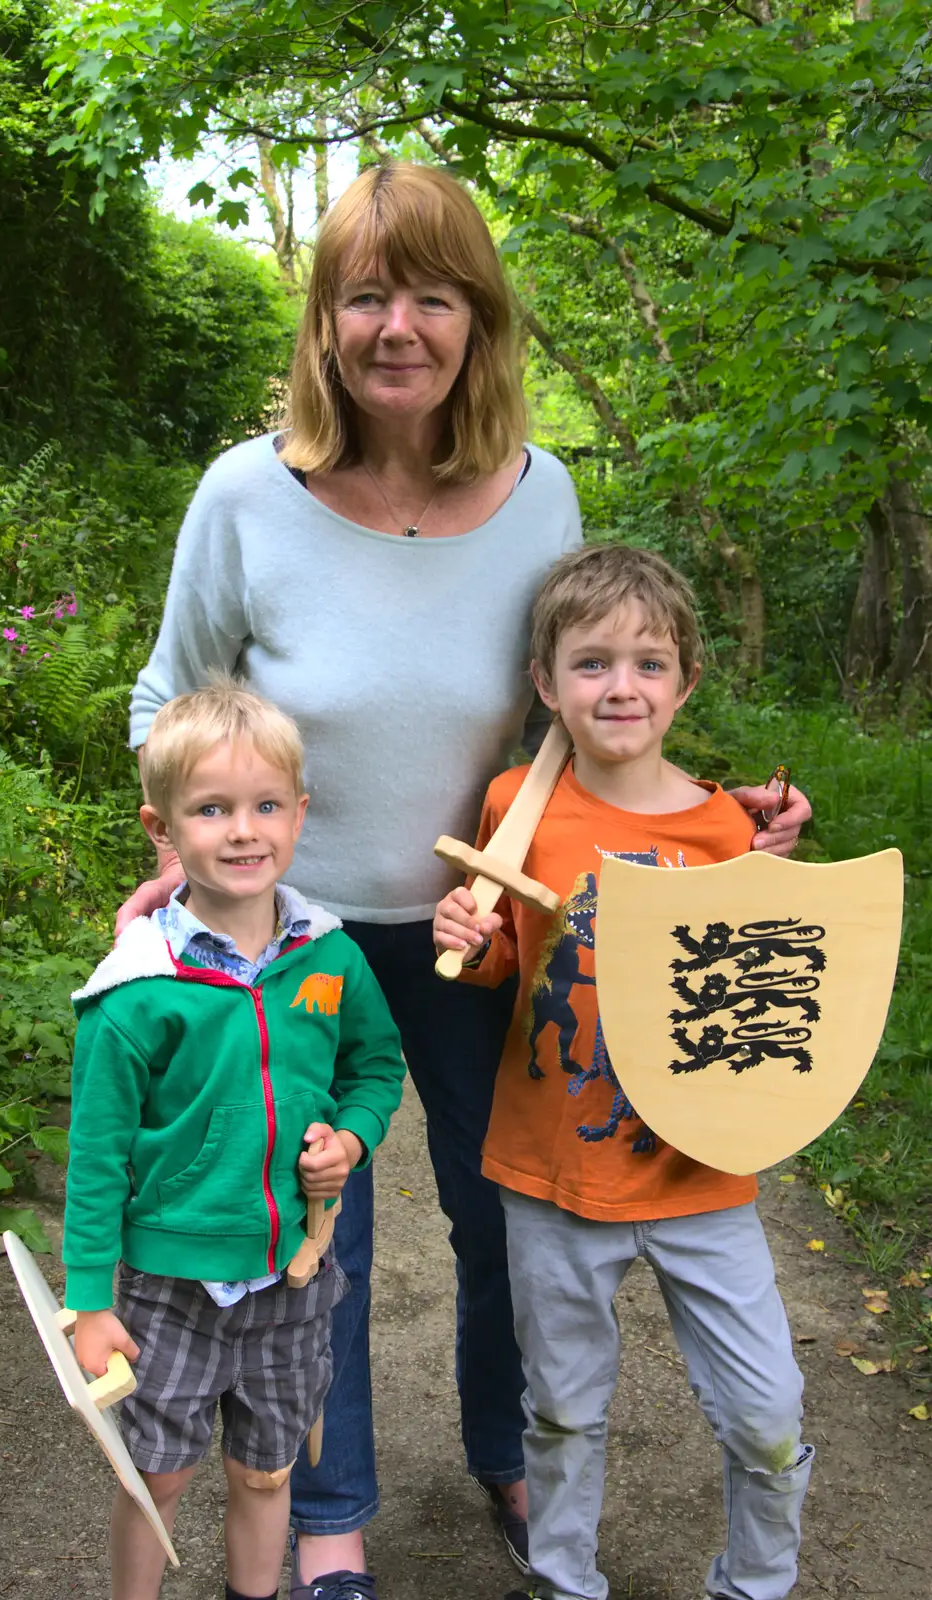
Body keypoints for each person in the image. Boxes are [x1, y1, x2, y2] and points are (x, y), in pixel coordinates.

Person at [118, 161, 813, 1600]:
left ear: (477, 319)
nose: (397, 326)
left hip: (497, 936)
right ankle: (329, 1512)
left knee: (515, 1219)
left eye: (431, 294)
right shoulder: (248, 495)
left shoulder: (540, 492)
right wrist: (182, 856)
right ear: (324, 320)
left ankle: (510, 1449)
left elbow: (589, 699)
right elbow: (169, 698)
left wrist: (707, 810)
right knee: (313, 1239)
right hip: (289, 939)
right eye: (365, 294)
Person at [433, 544, 813, 1600]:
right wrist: (469, 932)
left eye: (650, 663)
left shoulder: (725, 826)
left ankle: (756, 1582)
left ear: (686, 682)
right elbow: (504, 955)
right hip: (555, 1171)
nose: (622, 686)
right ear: (548, 685)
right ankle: (563, 1577)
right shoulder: (517, 801)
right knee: (561, 1408)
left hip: (703, 1176)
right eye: (592, 662)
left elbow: (764, 1003)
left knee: (768, 1414)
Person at [63, 680, 406, 1600]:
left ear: (300, 813)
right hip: (167, 1287)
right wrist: (90, 1303)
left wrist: (357, 1140)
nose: (244, 830)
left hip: (293, 1276)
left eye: (264, 806)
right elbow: (94, 1158)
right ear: (163, 829)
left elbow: (375, 1066)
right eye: (212, 809)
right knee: (157, 1477)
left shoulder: (329, 956)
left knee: (268, 1471)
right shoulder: (136, 991)